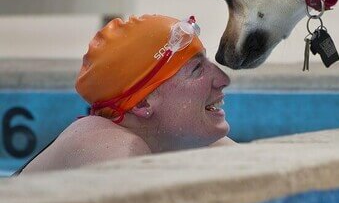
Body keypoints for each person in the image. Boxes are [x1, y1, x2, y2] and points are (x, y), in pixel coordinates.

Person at [18, 14, 234, 174]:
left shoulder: (195, 141)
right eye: (197, 70)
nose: (223, 80)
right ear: (142, 104)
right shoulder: (112, 149)